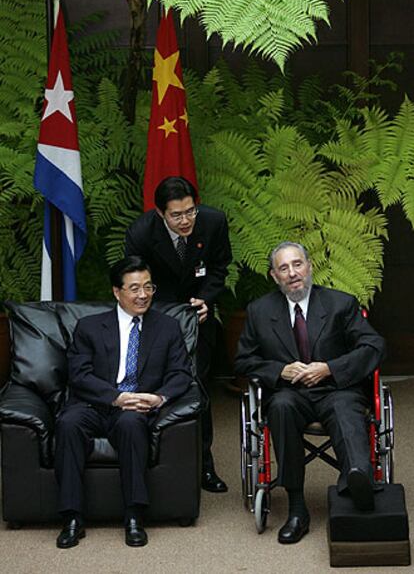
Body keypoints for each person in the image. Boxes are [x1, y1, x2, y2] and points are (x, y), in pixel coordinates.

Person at [235, 241, 385, 544]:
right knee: (281, 407)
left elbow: (374, 346)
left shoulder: (341, 304)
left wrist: (329, 367)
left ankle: (358, 480)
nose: (293, 273)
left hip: (336, 388)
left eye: (297, 264)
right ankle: (296, 508)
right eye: (284, 268)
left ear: (309, 266)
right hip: (290, 394)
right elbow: (243, 361)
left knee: (345, 409)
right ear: (274, 276)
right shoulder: (260, 311)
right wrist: (279, 371)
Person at [54, 256, 192, 548]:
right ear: (117, 292)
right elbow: (79, 375)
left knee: (131, 424)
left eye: (148, 287)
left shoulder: (167, 327)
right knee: (67, 423)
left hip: (138, 408)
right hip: (94, 404)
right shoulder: (89, 327)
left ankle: (133, 516)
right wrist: (116, 397)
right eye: (134, 288)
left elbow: (181, 374)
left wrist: (158, 398)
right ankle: (72, 518)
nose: (143, 295)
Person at [125, 176, 232, 493]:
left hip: (198, 319)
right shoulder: (141, 233)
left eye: (190, 211)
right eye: (177, 215)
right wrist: (162, 316)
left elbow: (219, 266)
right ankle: (152, 463)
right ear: (160, 213)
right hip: (155, 318)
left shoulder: (213, 222)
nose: (185, 220)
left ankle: (204, 466)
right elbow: (135, 283)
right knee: (152, 385)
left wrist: (206, 300)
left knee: (196, 388)